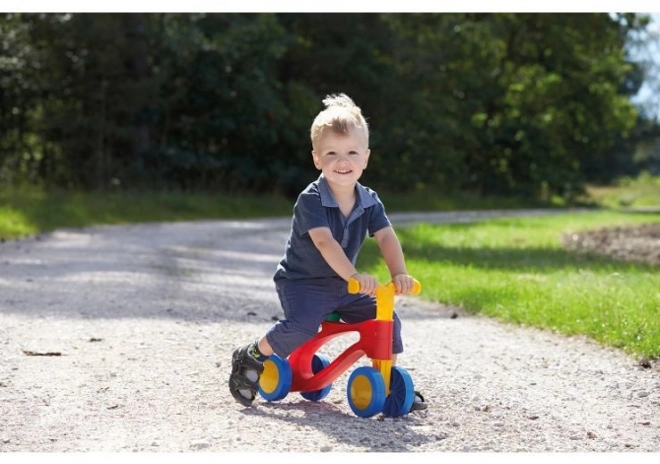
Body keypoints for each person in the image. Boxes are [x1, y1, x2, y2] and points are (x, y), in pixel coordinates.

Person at [228, 93, 427, 412]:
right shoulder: (311, 199)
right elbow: (325, 242)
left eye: (351, 152)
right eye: (331, 153)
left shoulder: (369, 201)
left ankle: (386, 379)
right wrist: (353, 274)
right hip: (303, 282)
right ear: (317, 159)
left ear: (366, 158)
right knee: (303, 326)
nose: (342, 161)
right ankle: (253, 354)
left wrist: (398, 273)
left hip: (344, 287)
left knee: (385, 317)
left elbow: (387, 237)